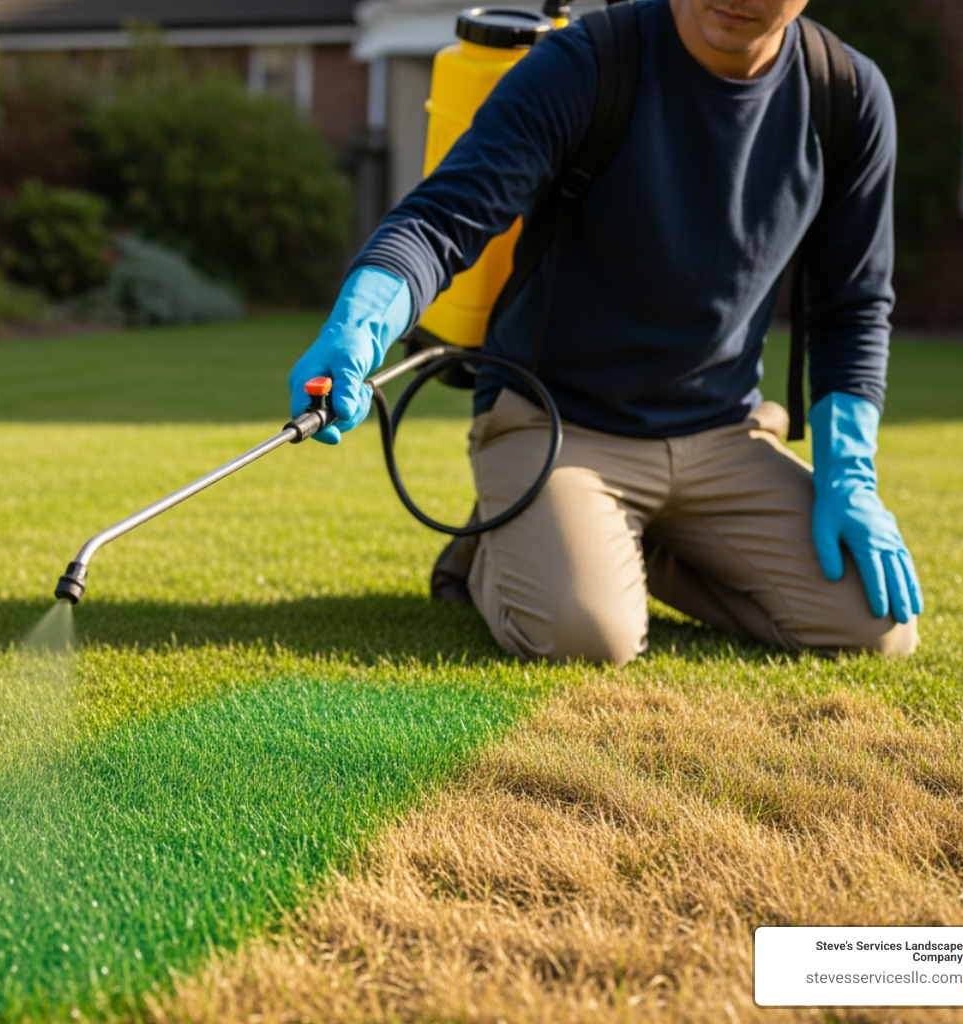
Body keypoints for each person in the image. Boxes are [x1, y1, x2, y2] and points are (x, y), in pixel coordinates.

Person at [288, 0, 921, 665]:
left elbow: (853, 303)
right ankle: (500, 547)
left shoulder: (846, 95)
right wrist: (358, 326)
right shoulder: (586, 65)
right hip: (557, 427)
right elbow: (443, 219)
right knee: (586, 637)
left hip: (723, 436)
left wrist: (851, 475)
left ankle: (593, 538)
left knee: (875, 627)